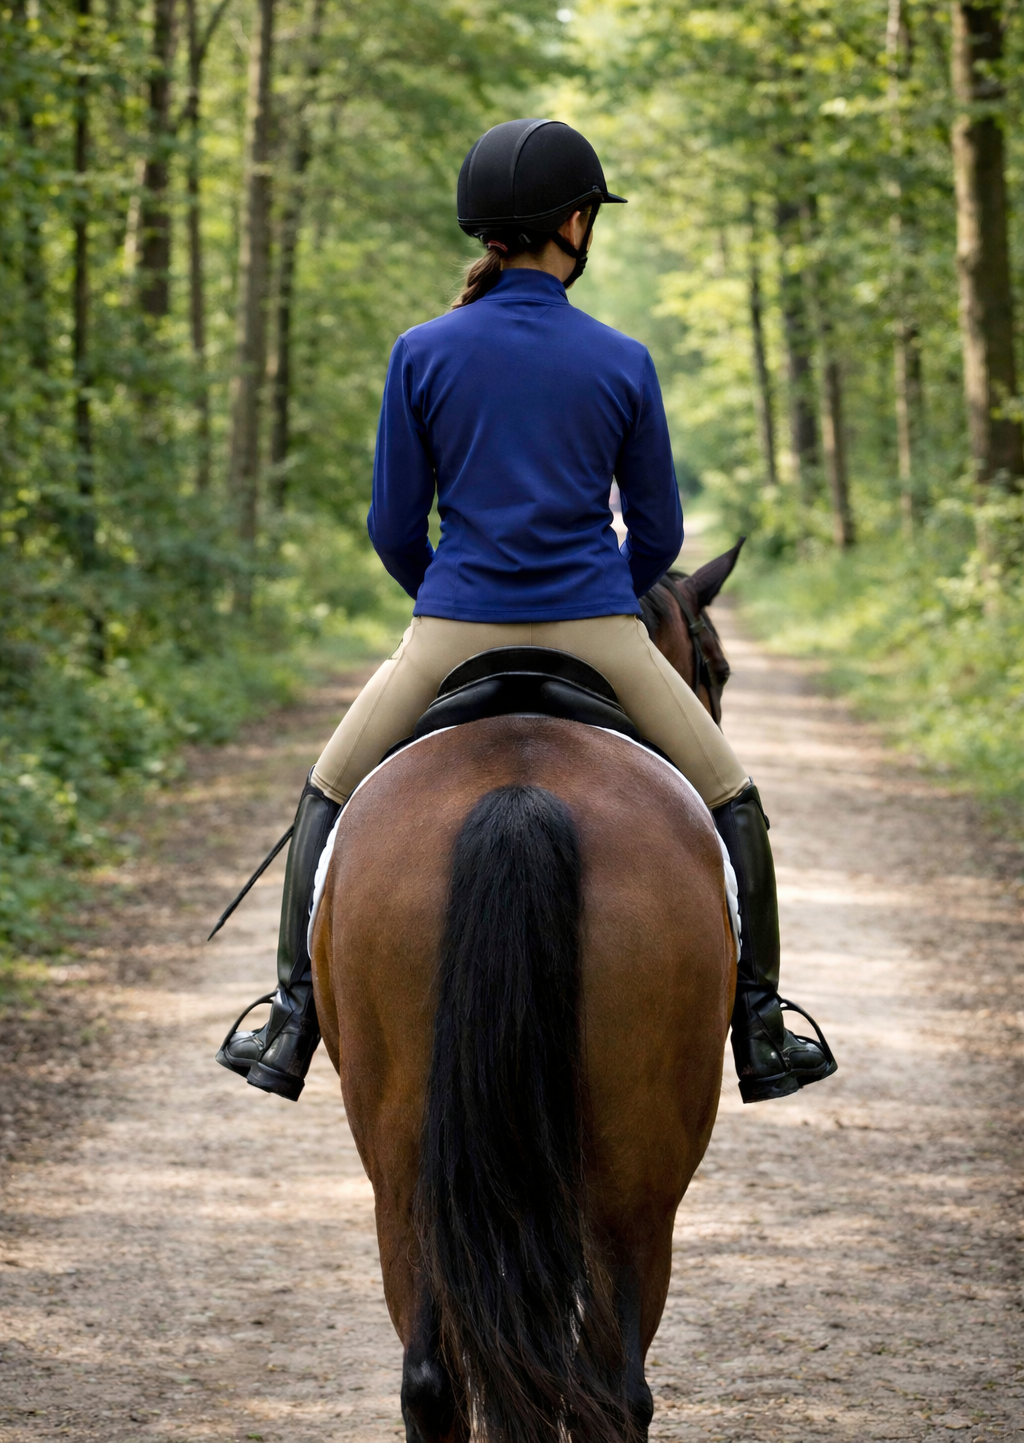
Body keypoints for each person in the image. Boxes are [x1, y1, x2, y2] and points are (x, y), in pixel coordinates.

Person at [216, 118, 837, 1107]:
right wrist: (605, 590)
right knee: (731, 795)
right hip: (598, 628)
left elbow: (392, 526)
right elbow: (662, 534)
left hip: (452, 629)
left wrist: (448, 596)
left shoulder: (420, 351)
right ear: (574, 224)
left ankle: (290, 1017)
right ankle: (761, 1024)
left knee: (327, 789)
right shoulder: (621, 358)